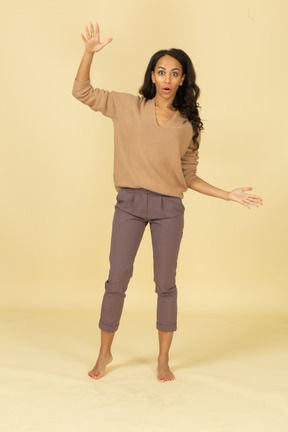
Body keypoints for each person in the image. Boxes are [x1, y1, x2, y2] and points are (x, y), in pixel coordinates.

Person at [72, 22, 263, 383]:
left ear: (182, 80)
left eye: (174, 73)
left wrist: (228, 194)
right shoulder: (127, 105)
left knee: (166, 284)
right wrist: (88, 53)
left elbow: (188, 176)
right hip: (128, 203)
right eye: (161, 71)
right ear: (152, 74)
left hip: (168, 210)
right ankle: (104, 352)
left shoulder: (188, 124)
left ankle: (163, 359)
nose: (166, 78)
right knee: (116, 280)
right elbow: (81, 91)